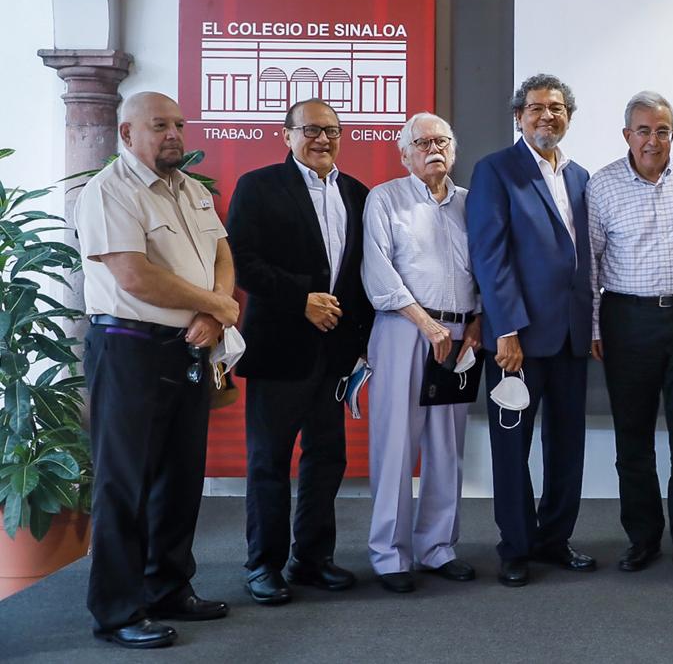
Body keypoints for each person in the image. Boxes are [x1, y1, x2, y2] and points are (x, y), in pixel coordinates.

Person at [76, 91, 238, 648]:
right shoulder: (108, 191)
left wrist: (214, 312)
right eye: (159, 125)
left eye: (178, 125)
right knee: (124, 483)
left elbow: (222, 254)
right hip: (129, 348)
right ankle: (117, 610)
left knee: (180, 475)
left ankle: (168, 588)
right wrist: (216, 306)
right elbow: (134, 275)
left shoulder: (192, 190)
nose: (174, 134)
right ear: (127, 134)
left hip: (187, 347)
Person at [226, 98, 373, 605]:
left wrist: (360, 344)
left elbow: (360, 274)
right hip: (280, 348)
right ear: (286, 135)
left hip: (335, 353)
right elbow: (241, 261)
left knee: (327, 458)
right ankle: (263, 565)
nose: (322, 139)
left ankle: (311, 558)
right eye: (310, 129)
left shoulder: (357, 193)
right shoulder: (259, 186)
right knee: (269, 461)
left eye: (331, 130)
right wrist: (301, 299)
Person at [467, 73, 595, 587]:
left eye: (557, 108)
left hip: (570, 335)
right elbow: (490, 256)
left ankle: (554, 539)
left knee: (567, 445)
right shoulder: (495, 170)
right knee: (511, 447)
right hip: (516, 340)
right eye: (537, 108)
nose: (548, 116)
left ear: (569, 116)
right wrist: (506, 330)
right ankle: (515, 547)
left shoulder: (581, 176)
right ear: (519, 116)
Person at [588, 92, 673, 577]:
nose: (652, 140)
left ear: (672, 134)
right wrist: (595, 325)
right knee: (633, 439)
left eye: (662, 131)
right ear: (627, 135)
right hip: (628, 321)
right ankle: (642, 538)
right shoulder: (602, 185)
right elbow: (591, 263)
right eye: (643, 130)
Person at [360, 112, 483, 593]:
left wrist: (477, 322)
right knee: (396, 444)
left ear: (454, 149)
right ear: (404, 154)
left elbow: (485, 269)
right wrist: (426, 324)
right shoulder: (385, 198)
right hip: (404, 328)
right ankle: (390, 555)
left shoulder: (471, 203)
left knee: (447, 446)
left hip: (459, 335)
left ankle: (437, 548)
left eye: (442, 141)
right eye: (423, 142)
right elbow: (378, 272)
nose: (434, 149)